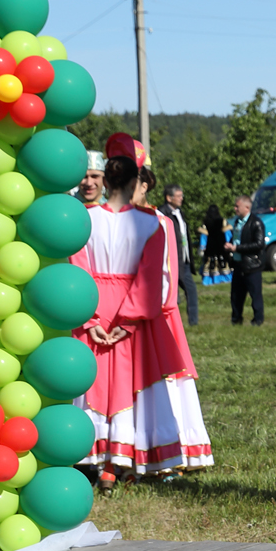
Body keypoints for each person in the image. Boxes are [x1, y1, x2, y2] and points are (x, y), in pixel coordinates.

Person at [70, 135, 215, 488]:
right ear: (136, 182)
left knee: (91, 383)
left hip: (93, 303)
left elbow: (76, 269)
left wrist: (88, 319)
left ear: (106, 180)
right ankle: (120, 458)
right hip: (130, 310)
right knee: (131, 385)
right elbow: (155, 279)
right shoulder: (152, 224)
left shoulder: (83, 219)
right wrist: (130, 319)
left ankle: (93, 455)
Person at [159, 184, 199, 326]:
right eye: (179, 196)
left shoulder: (179, 213)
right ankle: (168, 323)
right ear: (169, 198)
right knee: (170, 293)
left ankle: (193, 321)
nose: (182, 198)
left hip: (184, 259)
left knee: (191, 290)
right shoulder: (162, 214)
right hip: (172, 260)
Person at [227, 193, 266, 325]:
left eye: (237, 206)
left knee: (255, 295)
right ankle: (236, 319)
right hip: (238, 264)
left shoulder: (256, 223)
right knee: (236, 295)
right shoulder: (237, 222)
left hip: (252, 266)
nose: (235, 209)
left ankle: (258, 320)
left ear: (247, 207)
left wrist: (237, 248)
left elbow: (259, 244)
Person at [202, 202, 229, 282]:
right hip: (221, 246)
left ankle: (210, 280)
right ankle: (224, 278)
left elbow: (203, 237)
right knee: (222, 262)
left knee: (211, 263)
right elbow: (228, 234)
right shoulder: (223, 221)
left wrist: (202, 247)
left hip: (210, 247)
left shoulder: (206, 222)